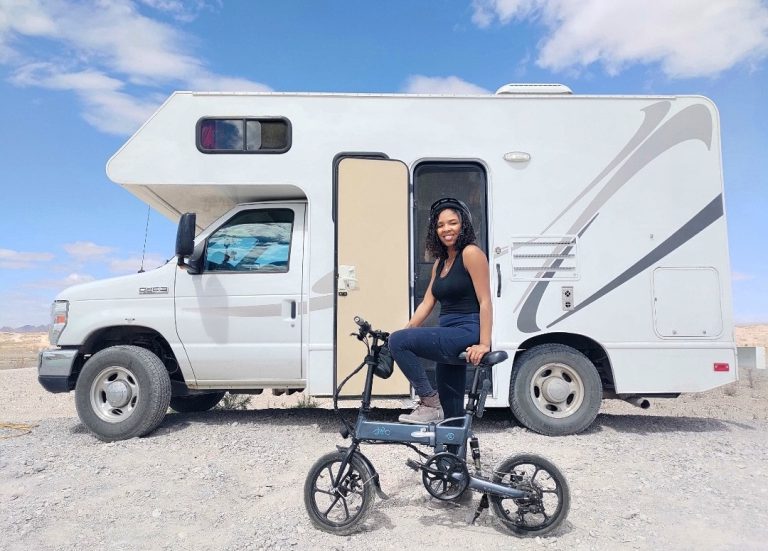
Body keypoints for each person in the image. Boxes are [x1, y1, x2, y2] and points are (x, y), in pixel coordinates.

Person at [389, 198, 492, 424]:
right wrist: (407, 330)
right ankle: (453, 459)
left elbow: (485, 301)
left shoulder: (471, 253)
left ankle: (428, 402)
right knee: (452, 409)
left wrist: (484, 343)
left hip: (466, 330)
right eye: (440, 225)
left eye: (452, 223)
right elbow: (427, 303)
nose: (446, 229)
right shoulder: (440, 262)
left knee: (398, 341)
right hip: (448, 334)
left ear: (463, 224)